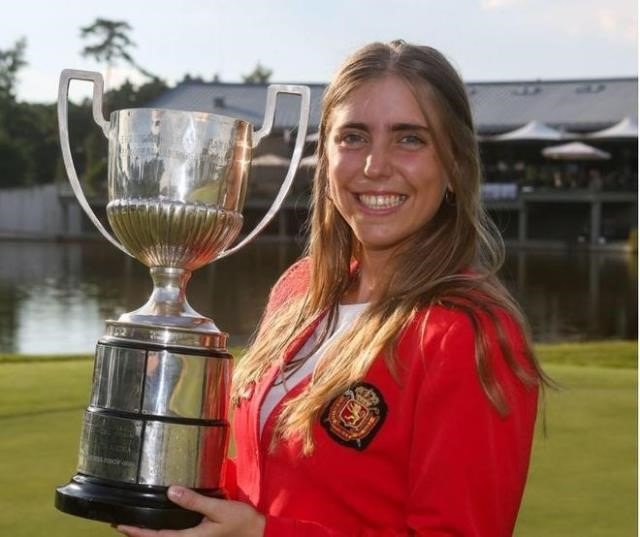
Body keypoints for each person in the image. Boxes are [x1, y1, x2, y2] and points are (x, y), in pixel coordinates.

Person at [117, 39, 550, 537]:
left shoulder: (465, 335)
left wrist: (260, 535)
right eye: (354, 137)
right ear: (326, 160)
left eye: (410, 139)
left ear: (454, 165)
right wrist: (167, 489)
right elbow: (275, 487)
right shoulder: (298, 291)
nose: (375, 165)